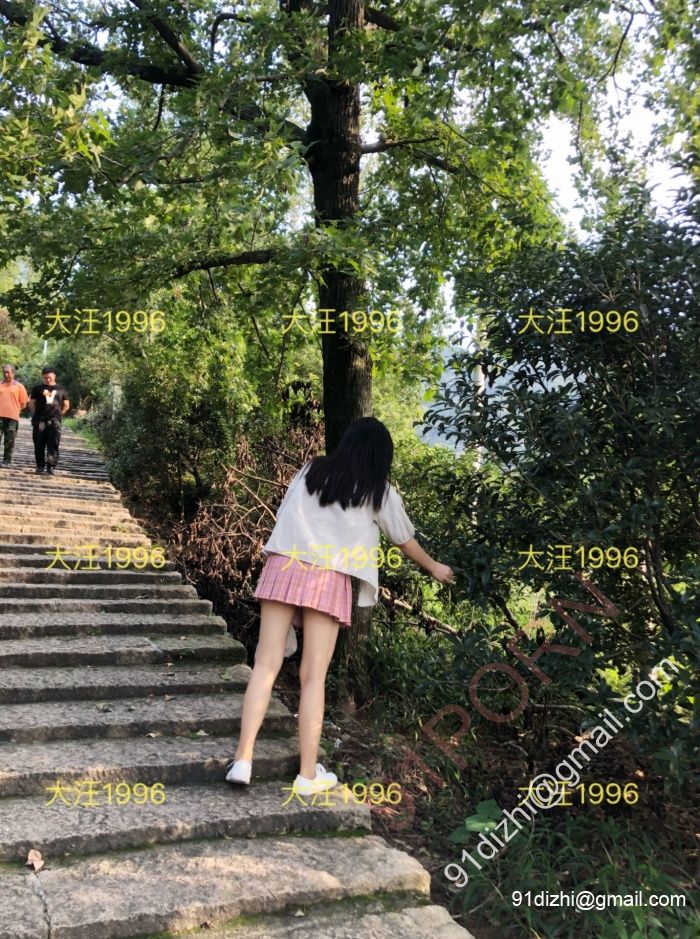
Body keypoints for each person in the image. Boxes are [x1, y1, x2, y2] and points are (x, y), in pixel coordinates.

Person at [225, 416, 454, 795]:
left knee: (265, 665)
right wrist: (434, 567)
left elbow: (285, 514)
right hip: (328, 578)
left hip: (285, 565)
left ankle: (243, 760)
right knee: (313, 677)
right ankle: (307, 776)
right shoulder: (378, 490)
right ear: (381, 455)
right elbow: (403, 539)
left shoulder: (312, 469)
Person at [28, 366, 70, 475]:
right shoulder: (37, 389)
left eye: (49, 377)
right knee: (38, 444)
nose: (47, 379)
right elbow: (31, 403)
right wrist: (35, 415)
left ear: (54, 376)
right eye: (45, 377)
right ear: (43, 377)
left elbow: (66, 405)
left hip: (54, 421)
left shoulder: (61, 389)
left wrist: (59, 415)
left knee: (53, 444)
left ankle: (51, 466)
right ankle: (40, 466)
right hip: (40, 421)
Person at [0, 364, 29, 467]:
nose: (6, 374)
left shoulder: (19, 386)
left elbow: (23, 403)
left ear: (13, 373)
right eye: (4, 372)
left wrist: (14, 410)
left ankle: (7, 461)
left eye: (8, 372)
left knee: (9, 440)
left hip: (12, 418)